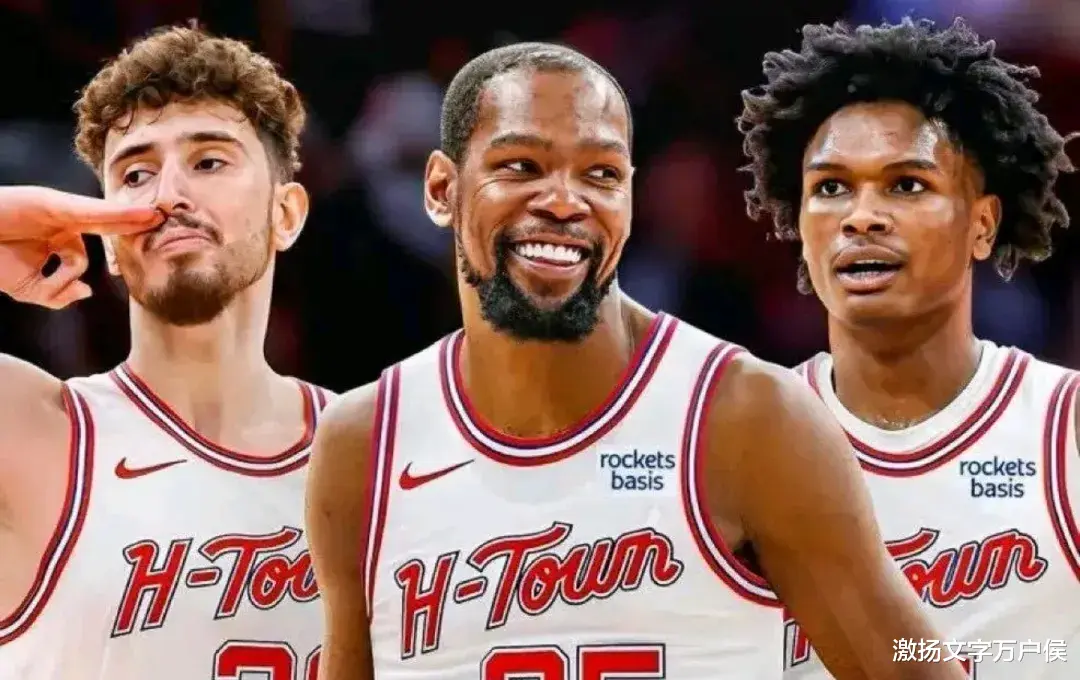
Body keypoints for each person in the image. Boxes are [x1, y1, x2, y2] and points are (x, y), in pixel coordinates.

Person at [305, 41, 964, 680]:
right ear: (442, 189)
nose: (564, 201)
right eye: (522, 166)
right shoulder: (363, 444)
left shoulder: (747, 419)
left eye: (601, 174)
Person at [738, 17, 1080, 680]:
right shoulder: (735, 441)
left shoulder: (1063, 428)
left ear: (982, 224)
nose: (862, 216)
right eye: (830, 187)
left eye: (906, 185)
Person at [0, 26, 332, 678]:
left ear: (286, 213)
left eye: (209, 162)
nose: (168, 195)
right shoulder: (31, 429)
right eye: (136, 174)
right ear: (105, 237)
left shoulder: (372, 456)